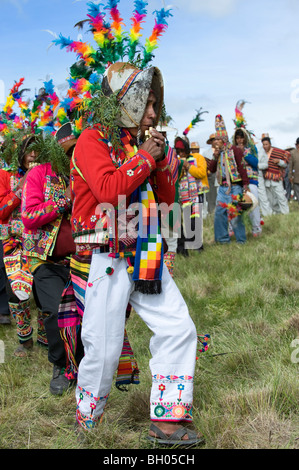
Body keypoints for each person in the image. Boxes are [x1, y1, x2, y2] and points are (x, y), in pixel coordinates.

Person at [71, 62, 202, 445]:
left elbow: (165, 200)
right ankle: (88, 417)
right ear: (124, 100)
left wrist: (160, 163)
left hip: (145, 253)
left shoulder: (140, 144)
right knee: (104, 345)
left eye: (154, 104)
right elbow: (110, 191)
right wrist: (146, 156)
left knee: (180, 327)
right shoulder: (91, 140)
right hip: (105, 258)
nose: (152, 112)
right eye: (145, 101)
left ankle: (167, 420)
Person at [21, 132, 76, 394]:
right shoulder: (38, 174)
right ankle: (61, 364)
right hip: (46, 261)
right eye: (67, 149)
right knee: (56, 312)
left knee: (85, 316)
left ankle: (85, 364)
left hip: (82, 259)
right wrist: (64, 199)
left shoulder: (84, 171)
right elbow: (29, 216)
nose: (72, 153)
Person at [0, 136, 47, 354]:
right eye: (29, 151)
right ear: (21, 155)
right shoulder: (6, 178)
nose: (34, 155)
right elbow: (2, 211)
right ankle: (24, 339)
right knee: (14, 292)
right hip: (14, 243)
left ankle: (47, 339)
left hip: (42, 242)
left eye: (38, 151)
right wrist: (23, 184)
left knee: (43, 292)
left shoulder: (50, 178)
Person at [209, 115, 249, 244]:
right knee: (219, 213)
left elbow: (242, 167)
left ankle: (241, 240)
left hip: (235, 186)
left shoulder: (235, 150)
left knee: (235, 213)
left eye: (218, 140)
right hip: (222, 187)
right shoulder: (218, 153)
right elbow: (212, 169)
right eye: (216, 140)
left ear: (224, 140)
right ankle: (222, 240)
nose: (216, 142)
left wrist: (245, 185)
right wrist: (215, 157)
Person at [174, 138, 208, 255]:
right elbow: (176, 178)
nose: (181, 154)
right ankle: (188, 244)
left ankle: (197, 245)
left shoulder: (197, 158)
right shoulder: (177, 161)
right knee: (187, 220)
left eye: (182, 151)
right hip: (183, 196)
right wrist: (180, 169)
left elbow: (202, 173)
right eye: (179, 152)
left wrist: (189, 167)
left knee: (195, 220)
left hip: (196, 194)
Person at [233, 128, 262, 237]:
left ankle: (256, 229)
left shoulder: (251, 148)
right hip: (238, 182)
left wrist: (244, 153)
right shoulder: (232, 150)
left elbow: (256, 163)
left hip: (251, 181)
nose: (239, 140)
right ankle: (237, 230)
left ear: (245, 138)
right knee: (237, 206)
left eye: (241, 138)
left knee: (253, 205)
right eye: (237, 138)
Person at [261, 136, 290, 214]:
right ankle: (275, 213)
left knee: (281, 197)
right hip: (266, 179)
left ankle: (286, 213)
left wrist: (279, 161)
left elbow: (285, 164)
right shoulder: (261, 153)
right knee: (270, 198)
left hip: (276, 179)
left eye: (266, 144)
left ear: (270, 144)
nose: (265, 146)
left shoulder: (277, 152)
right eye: (263, 144)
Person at [203, 134, 218, 215]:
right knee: (211, 197)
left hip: (219, 175)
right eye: (213, 140)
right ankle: (211, 214)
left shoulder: (222, 151)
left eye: (216, 139)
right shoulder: (205, 153)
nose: (215, 141)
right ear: (211, 142)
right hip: (210, 176)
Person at [289, 138, 299, 203]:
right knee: (297, 191)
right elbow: (290, 166)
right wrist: (290, 176)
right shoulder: (292, 153)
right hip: (296, 176)